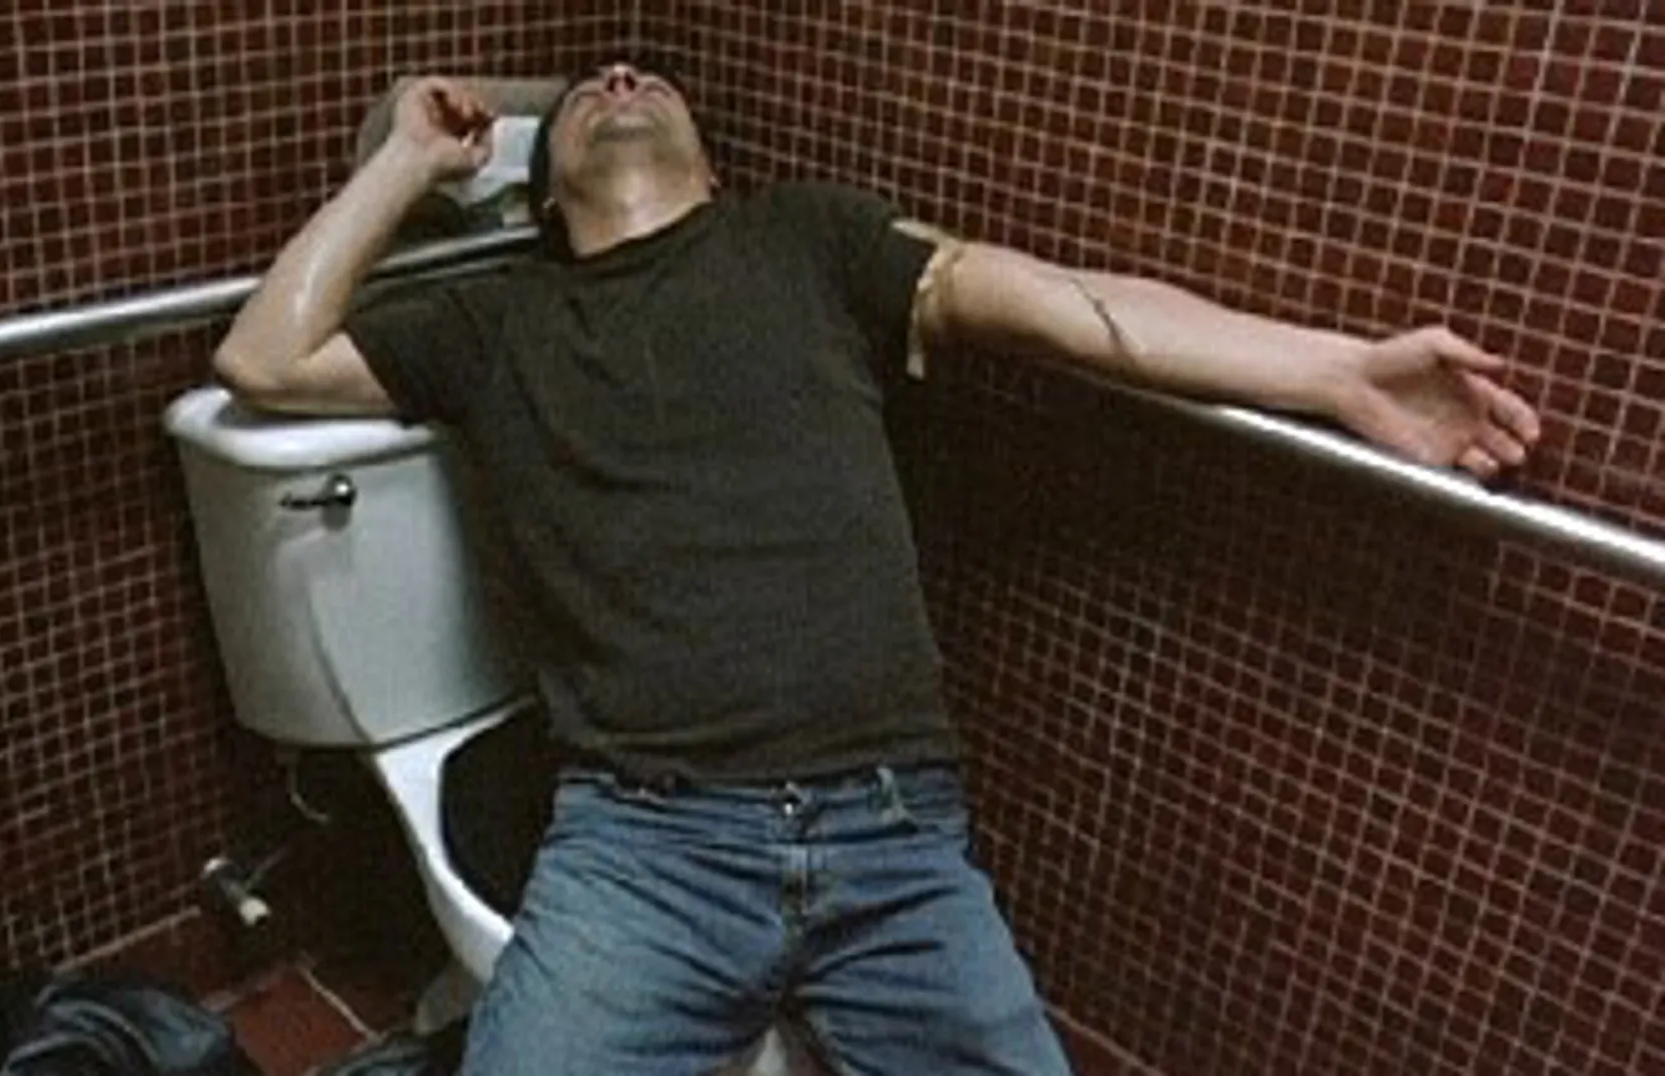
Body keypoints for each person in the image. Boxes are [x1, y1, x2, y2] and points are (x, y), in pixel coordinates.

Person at [215, 63, 1540, 1076]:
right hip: (644, 845)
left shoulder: (810, 242)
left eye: (650, 76)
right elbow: (263, 358)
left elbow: (1069, 306)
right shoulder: (495, 321)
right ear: (545, 196)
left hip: (892, 833)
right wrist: (409, 159)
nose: (619, 77)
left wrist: (1338, 373)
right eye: (585, 96)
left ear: (714, 169)